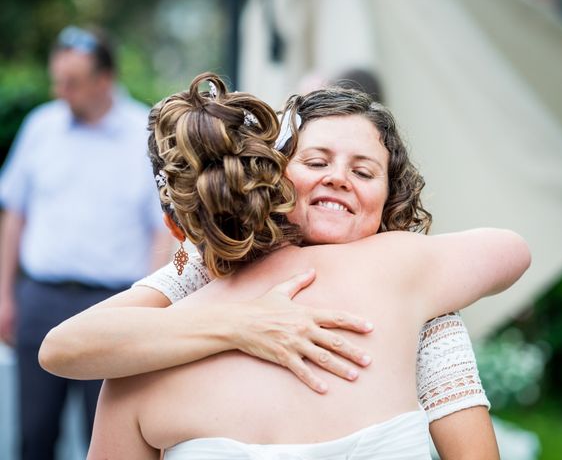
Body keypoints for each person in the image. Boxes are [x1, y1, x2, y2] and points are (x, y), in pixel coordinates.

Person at [41, 75, 508, 458]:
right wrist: (242, 322)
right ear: (272, 178)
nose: (338, 178)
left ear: (390, 199)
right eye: (316, 161)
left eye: (364, 172)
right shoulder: (199, 274)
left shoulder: (421, 299)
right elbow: (65, 346)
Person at [0, 25, 172, 460]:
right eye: (57, 79)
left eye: (72, 82)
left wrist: (149, 309)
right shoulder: (41, 126)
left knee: (107, 435)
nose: (61, 91)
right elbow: (15, 214)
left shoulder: (144, 132)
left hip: (111, 304)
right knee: (33, 434)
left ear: (105, 80)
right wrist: (4, 294)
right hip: (41, 297)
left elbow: (162, 230)